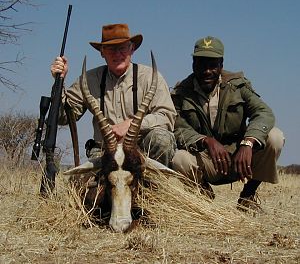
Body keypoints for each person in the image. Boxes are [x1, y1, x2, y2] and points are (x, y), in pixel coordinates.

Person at [171, 36, 285, 211]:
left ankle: (248, 196)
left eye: (212, 65)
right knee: (179, 159)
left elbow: (264, 113)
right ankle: (204, 199)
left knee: (274, 137)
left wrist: (247, 143)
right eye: (201, 64)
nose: (207, 71)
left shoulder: (238, 87)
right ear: (193, 64)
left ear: (221, 65)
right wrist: (205, 140)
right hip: (207, 160)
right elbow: (177, 126)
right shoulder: (180, 93)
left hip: (239, 159)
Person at [51, 23, 176, 166]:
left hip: (139, 152)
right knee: (81, 182)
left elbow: (167, 116)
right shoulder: (88, 80)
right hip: (104, 153)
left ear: (132, 49)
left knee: (162, 139)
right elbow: (64, 117)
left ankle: (157, 186)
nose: (117, 54)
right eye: (111, 49)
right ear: (102, 52)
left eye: (122, 48)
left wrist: (132, 124)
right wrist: (59, 82)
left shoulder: (150, 77)